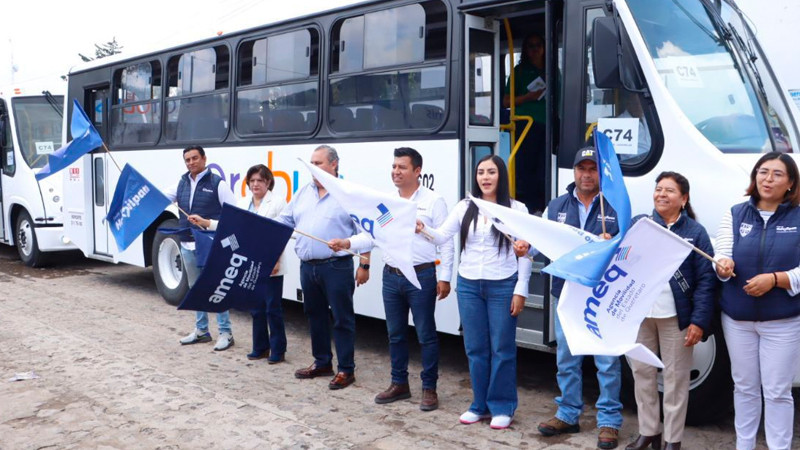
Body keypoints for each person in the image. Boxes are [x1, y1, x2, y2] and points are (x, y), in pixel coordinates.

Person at [328, 147, 454, 411]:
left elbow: (447, 242)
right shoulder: (386, 203)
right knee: (395, 335)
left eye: (402, 167)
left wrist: (445, 277)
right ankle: (399, 384)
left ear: (417, 171)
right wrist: (347, 242)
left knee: (426, 335)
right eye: (394, 167)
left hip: (422, 276)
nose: (396, 172)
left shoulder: (433, 201)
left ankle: (429, 388)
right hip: (392, 277)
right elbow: (373, 236)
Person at [516, 147, 623, 449]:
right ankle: (568, 414)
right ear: (574, 172)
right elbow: (540, 241)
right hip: (565, 294)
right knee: (567, 358)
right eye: (581, 169)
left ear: (600, 173)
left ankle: (609, 421)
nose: (586, 175)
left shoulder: (616, 207)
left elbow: (628, 250)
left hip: (601, 297)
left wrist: (612, 245)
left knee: (607, 361)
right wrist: (526, 245)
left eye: (592, 169)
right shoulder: (557, 205)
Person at [417, 154, 531, 430]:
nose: (485, 177)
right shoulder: (465, 206)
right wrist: (422, 229)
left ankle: (503, 406)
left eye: (491, 172)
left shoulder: (516, 208)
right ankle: (479, 405)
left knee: (502, 349)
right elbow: (443, 236)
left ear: (501, 176)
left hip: (503, 284)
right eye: (481, 172)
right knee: (475, 349)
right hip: (468, 285)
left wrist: (521, 289)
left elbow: (525, 253)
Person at [714, 152, 800, 450]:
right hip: (738, 320)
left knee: (777, 392)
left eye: (777, 174)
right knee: (745, 388)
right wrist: (722, 265)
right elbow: (722, 251)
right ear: (754, 177)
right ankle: (745, 446)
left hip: (784, 321)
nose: (768, 179)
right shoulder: (736, 213)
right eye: (763, 172)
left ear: (790, 183)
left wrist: (776, 279)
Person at [626, 172, 716, 450]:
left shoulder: (694, 232)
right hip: (640, 313)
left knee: (676, 380)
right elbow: (622, 262)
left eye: (670, 191)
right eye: (659, 189)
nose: (662, 195)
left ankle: (672, 439)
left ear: (684, 198)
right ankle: (648, 431)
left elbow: (705, 281)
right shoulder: (641, 225)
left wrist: (699, 321)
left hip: (676, 317)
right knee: (642, 374)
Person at [276, 145, 370, 390]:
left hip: (336, 268)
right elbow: (285, 221)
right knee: (314, 316)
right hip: (308, 268)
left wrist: (364, 264)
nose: (313, 167)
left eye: (318, 163)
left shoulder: (347, 194)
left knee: (342, 318)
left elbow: (366, 232)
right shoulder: (302, 192)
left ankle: (346, 370)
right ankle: (322, 362)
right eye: (311, 163)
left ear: (334, 165)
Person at [165, 145, 237, 351]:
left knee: (216, 289)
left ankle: (226, 332)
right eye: (187, 160)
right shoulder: (180, 184)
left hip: (210, 246)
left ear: (204, 158)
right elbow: (160, 198)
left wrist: (207, 222)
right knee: (195, 289)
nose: (191, 162)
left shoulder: (218, 184)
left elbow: (233, 215)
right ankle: (202, 331)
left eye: (195, 158)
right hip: (187, 244)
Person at [242, 164, 288, 364]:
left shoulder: (277, 202)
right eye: (252, 180)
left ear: (268, 182)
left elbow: (281, 233)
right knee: (256, 308)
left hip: (271, 263)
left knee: (272, 308)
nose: (255, 184)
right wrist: (206, 222)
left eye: (259, 180)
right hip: (251, 263)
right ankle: (260, 347)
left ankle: (278, 349)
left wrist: (275, 259)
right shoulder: (244, 202)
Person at [503, 32, 548, 213]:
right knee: (526, 170)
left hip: (550, 126)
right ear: (526, 50)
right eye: (531, 46)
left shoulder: (552, 70)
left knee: (543, 170)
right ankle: (530, 206)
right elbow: (506, 101)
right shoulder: (519, 72)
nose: (535, 49)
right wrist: (527, 97)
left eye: (539, 45)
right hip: (525, 125)